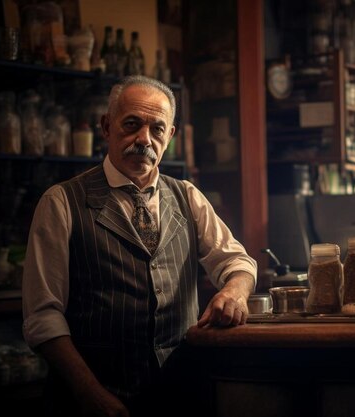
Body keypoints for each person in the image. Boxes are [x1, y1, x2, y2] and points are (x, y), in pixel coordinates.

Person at [21, 75, 257, 416]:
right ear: (106, 126)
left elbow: (237, 260)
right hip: (90, 400)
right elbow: (42, 318)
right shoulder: (61, 202)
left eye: (157, 129)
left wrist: (235, 290)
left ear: (170, 137)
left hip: (178, 396)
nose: (143, 139)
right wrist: (90, 394)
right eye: (131, 124)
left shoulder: (187, 196)